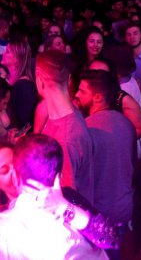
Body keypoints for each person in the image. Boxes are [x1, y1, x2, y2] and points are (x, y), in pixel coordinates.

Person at [0, 134, 108, 260]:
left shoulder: (65, 197)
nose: (15, 170)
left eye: (15, 163)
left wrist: (66, 208)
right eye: (5, 170)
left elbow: (108, 238)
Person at [75, 70, 136, 226]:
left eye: (82, 91)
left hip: (98, 215)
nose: (76, 94)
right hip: (123, 209)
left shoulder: (86, 129)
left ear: (97, 97)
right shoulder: (127, 124)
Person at [35, 49, 94, 202]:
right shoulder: (71, 115)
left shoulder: (65, 139)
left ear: (40, 80)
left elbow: (65, 200)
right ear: (69, 79)